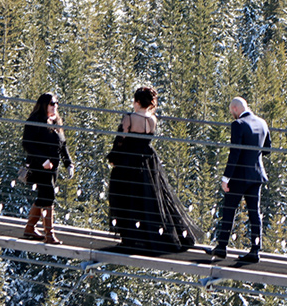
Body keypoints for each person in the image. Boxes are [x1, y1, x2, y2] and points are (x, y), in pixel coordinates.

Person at [107, 86, 200, 254]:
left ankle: (129, 237)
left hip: (129, 161)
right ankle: (148, 237)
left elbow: (120, 139)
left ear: (136, 101)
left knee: (125, 196)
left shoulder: (129, 118)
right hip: (148, 161)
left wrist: (114, 157)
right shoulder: (152, 119)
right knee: (148, 198)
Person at [210, 97, 271, 263]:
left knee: (229, 209)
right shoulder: (262, 123)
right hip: (256, 174)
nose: (232, 115)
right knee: (254, 213)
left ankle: (222, 247)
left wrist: (226, 178)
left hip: (238, 176)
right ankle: (255, 249)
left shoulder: (238, 124)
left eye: (231, 112)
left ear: (235, 109)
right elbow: (267, 150)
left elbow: (234, 153)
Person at [21, 93, 74, 244]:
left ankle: (30, 228)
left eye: (56, 103)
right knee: (49, 195)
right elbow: (27, 143)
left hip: (52, 167)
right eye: (52, 103)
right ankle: (49, 234)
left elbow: (62, 145)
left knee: (44, 196)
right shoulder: (35, 120)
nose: (55, 106)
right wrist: (43, 160)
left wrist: (68, 163)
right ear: (44, 104)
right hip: (39, 166)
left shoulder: (56, 122)